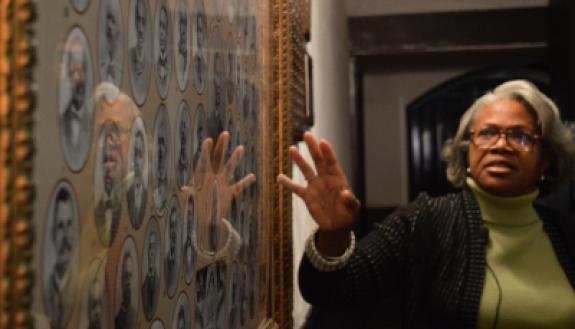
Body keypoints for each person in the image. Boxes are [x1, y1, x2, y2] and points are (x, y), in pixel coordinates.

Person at [277, 80, 575, 328]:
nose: (500, 145)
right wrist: (334, 236)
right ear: (466, 151)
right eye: (486, 133)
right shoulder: (427, 220)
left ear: (545, 161)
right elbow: (331, 292)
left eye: (520, 136)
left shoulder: (565, 234)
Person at [46, 188, 75, 329]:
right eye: (60, 226)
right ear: (52, 234)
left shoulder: (79, 283)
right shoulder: (47, 290)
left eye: (69, 225)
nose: (65, 236)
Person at [127, 128, 147, 229]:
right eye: (133, 154)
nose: (134, 161)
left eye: (138, 154)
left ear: (144, 159)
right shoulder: (127, 191)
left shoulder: (147, 194)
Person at [115, 252, 136, 329]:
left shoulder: (134, 315)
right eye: (126, 276)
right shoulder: (116, 321)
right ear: (121, 281)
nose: (129, 282)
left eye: (130, 275)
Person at [142, 228, 159, 319]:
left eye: (153, 247)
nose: (151, 252)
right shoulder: (143, 285)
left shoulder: (159, 282)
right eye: (149, 247)